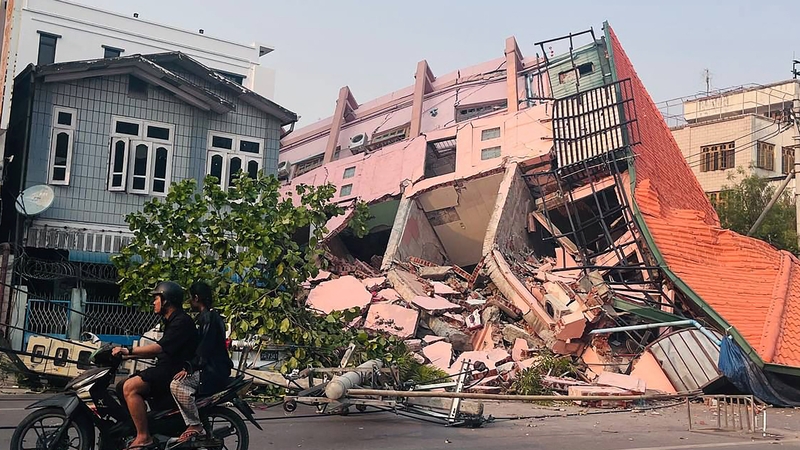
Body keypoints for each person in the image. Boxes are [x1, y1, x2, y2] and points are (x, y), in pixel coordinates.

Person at [113, 281, 198, 450]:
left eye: (156, 298)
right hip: (166, 368)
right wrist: (126, 354)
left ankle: (144, 437)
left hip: (174, 371)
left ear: (166, 300)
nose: (154, 302)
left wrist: (128, 350)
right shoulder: (171, 320)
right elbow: (157, 350)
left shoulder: (181, 321)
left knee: (130, 387)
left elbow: (159, 348)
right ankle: (142, 424)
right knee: (120, 386)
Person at [168, 281, 233, 446]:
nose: (190, 301)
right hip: (212, 367)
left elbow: (205, 348)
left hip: (212, 370)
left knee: (177, 385)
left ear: (196, 298)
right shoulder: (208, 316)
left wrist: (189, 367)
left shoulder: (209, 318)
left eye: (191, 297)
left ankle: (195, 424)